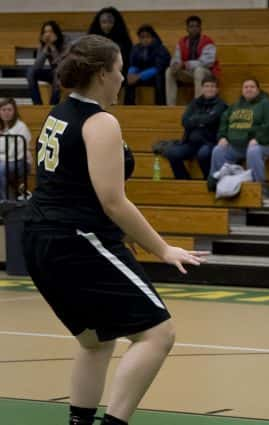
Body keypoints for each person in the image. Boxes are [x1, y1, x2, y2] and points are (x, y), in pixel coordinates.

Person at [22, 35, 207, 425]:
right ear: (103, 74)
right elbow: (113, 201)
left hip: (41, 237)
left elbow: (75, 187)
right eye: (120, 70)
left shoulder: (60, 111)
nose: (124, 78)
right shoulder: (100, 121)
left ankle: (80, 422)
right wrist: (162, 248)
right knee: (159, 334)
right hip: (75, 238)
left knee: (95, 341)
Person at [208, 78, 269, 190]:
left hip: (264, 145)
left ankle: (257, 188)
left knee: (253, 151)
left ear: (258, 90)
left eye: (252, 87)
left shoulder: (267, 104)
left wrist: (258, 139)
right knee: (218, 150)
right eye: (246, 87)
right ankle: (219, 185)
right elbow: (224, 121)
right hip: (237, 147)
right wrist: (223, 137)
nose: (248, 89)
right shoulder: (235, 106)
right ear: (242, 90)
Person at [163, 75, 227, 179]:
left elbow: (211, 119)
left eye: (212, 86)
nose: (209, 89)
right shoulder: (194, 103)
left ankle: (208, 179)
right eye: (206, 86)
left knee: (203, 154)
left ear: (217, 89)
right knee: (171, 153)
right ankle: (183, 179)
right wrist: (202, 121)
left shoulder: (221, 105)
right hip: (190, 143)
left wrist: (195, 119)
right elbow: (184, 121)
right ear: (202, 88)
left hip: (209, 142)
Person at [165, 15, 221, 105]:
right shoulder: (182, 42)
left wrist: (185, 64)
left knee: (199, 71)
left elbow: (207, 62)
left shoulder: (208, 41)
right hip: (188, 73)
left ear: (200, 28)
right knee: (169, 71)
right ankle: (170, 106)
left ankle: (198, 106)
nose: (194, 28)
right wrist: (175, 64)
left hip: (207, 73)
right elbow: (176, 57)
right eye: (191, 26)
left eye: (197, 26)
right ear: (187, 28)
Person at [124, 24, 171, 105]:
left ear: (153, 37)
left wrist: (139, 76)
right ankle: (128, 106)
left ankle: (160, 105)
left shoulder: (160, 48)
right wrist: (131, 74)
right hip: (140, 76)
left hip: (154, 76)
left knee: (159, 78)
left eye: (147, 37)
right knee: (128, 79)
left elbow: (159, 67)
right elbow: (133, 64)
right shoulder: (136, 48)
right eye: (142, 37)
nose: (145, 39)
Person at [27, 20, 67, 105]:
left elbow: (63, 66)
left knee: (57, 72)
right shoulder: (43, 44)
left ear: (56, 33)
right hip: (53, 73)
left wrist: (53, 49)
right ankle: (38, 105)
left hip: (65, 73)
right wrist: (45, 49)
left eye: (51, 31)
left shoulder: (65, 41)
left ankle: (52, 105)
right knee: (30, 72)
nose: (48, 35)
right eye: (45, 32)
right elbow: (37, 67)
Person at [88, 7, 133, 80]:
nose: (107, 25)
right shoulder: (92, 38)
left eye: (110, 22)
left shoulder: (123, 39)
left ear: (115, 23)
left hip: (117, 72)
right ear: (99, 23)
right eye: (104, 22)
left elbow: (125, 61)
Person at [0, 97, 32, 200]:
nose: (6, 113)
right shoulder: (1, 127)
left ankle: (5, 203)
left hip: (21, 162)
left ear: (14, 111)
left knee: (1, 169)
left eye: (9, 110)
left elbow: (13, 154)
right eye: (3, 110)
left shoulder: (21, 127)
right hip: (4, 160)